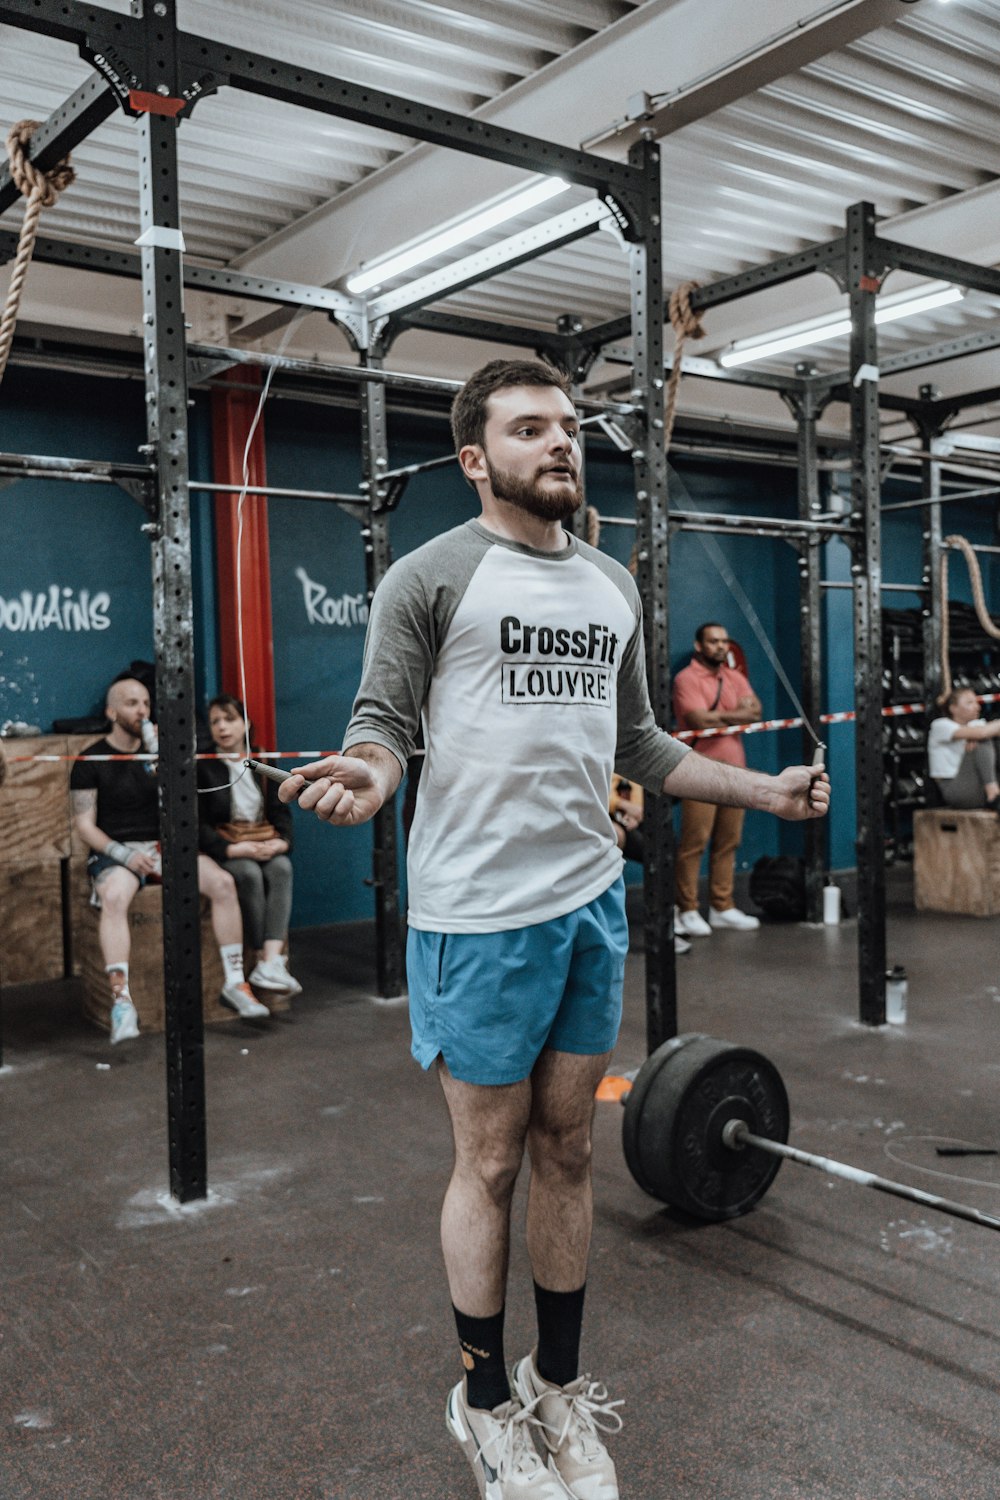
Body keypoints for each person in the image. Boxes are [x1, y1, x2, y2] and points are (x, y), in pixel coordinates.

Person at [278, 358, 830, 1500]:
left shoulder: (611, 586)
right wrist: (373, 779)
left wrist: (768, 794)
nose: (561, 444)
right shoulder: (430, 578)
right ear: (477, 459)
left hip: (586, 903)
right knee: (487, 1160)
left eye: (569, 427)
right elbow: (382, 720)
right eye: (530, 429)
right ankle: (480, 1403)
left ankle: (556, 1387)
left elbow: (642, 747)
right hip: (476, 917)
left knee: (570, 1148)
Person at [70, 675, 270, 1044]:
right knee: (114, 895)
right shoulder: (90, 758)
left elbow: (187, 803)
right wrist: (123, 854)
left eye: (146, 703)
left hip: (166, 847)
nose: (142, 710)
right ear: (112, 711)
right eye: (132, 703)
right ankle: (122, 1001)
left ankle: (235, 982)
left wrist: (170, 761)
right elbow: (84, 825)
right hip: (118, 850)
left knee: (224, 883)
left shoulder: (159, 752)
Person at [198, 693, 301, 996]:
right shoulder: (203, 765)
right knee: (247, 873)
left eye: (229, 719)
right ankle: (259, 955)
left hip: (262, 838)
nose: (222, 727)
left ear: (246, 724)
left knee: (281, 867)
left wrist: (281, 843)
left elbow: (281, 811)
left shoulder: (263, 760)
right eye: (215, 721)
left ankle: (271, 961)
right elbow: (198, 824)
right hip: (228, 845)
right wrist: (231, 849)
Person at [672, 622, 763, 937]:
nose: (721, 647)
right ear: (699, 646)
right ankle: (687, 910)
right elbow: (697, 719)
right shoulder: (686, 679)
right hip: (697, 771)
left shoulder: (734, 677)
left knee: (729, 841)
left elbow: (755, 712)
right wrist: (736, 715)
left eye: (724, 641)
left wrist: (721, 719)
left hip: (736, 770)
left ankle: (722, 907)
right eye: (713, 641)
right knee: (694, 842)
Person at [610, 775, 691, 954]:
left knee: (666, 846)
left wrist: (637, 814)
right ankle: (610, 927)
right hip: (608, 818)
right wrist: (620, 806)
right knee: (623, 842)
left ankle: (667, 920)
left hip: (635, 818)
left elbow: (640, 792)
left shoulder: (631, 754)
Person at [927, 686, 1000, 808]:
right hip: (956, 789)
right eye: (969, 703)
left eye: (976, 702)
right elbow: (982, 733)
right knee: (983, 741)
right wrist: (981, 734)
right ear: (953, 708)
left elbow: (986, 731)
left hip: (978, 785)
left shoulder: (976, 724)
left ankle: (993, 793)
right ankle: (993, 793)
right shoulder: (941, 726)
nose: (977, 707)